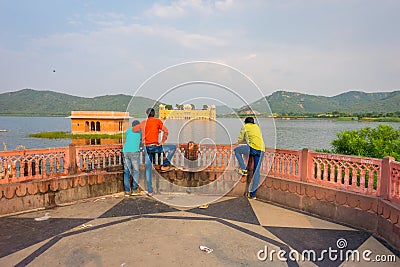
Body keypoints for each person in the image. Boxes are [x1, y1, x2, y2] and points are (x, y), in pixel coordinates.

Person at [132, 107, 177, 196]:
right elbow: (166, 131)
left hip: (147, 147)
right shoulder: (157, 121)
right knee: (173, 148)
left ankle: (150, 191)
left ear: (147, 115)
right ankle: (165, 164)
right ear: (154, 114)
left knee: (148, 168)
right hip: (156, 147)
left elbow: (134, 130)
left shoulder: (144, 123)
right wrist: (162, 142)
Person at [233, 117, 265, 199]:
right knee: (256, 172)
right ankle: (253, 194)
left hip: (252, 148)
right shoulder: (257, 127)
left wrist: (239, 142)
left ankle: (244, 169)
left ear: (245, 122)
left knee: (236, 150)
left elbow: (240, 139)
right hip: (261, 150)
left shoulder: (245, 127)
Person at [122, 120, 142, 197]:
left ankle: (127, 191)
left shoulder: (128, 131)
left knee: (126, 172)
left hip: (125, 151)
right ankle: (134, 189)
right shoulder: (139, 132)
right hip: (134, 152)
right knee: (136, 171)